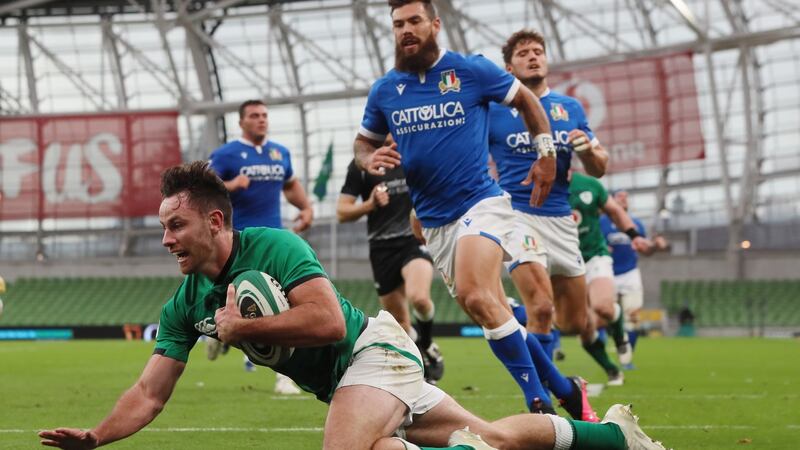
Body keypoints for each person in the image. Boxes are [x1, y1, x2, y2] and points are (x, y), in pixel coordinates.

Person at [38, 161, 667, 450]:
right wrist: (96, 437)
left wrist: (243, 326)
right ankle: (613, 436)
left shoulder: (276, 245)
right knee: (493, 437)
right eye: (162, 229)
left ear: (215, 220)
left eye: (176, 226)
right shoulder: (185, 303)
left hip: (375, 353)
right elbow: (149, 394)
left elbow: (331, 320)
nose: (167, 239)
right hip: (359, 378)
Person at [353, 0, 603, 419]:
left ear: (434, 24)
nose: (406, 30)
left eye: (415, 21)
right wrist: (368, 159)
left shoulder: (470, 70)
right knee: (489, 309)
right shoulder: (385, 91)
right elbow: (363, 142)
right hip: (435, 221)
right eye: (398, 24)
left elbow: (527, 101)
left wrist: (545, 153)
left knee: (474, 292)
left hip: (483, 203)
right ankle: (566, 390)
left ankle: (537, 402)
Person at [487, 29, 613, 395]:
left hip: (560, 219)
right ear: (510, 66)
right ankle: (541, 395)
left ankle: (508, 311)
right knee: (542, 307)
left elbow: (600, 167)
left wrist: (588, 150)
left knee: (573, 322)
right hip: (516, 214)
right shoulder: (495, 112)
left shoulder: (570, 108)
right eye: (524, 53)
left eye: (538, 51)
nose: (533, 56)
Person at [208, 98, 313, 393]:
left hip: (274, 240)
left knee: (285, 303)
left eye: (264, 115)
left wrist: (306, 208)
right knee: (236, 302)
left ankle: (286, 376)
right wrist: (230, 185)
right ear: (241, 122)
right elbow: (203, 188)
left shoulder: (280, 153)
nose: (261, 120)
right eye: (254, 115)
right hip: (237, 241)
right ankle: (217, 334)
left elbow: (290, 184)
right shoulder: (227, 155)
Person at [337, 135, 444, 384]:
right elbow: (342, 212)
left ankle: (427, 345)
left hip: (413, 242)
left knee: (420, 298)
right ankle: (419, 373)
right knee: (401, 326)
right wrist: (370, 204)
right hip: (381, 249)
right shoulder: (362, 165)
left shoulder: (417, 157)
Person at [569, 172, 651, 385]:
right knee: (583, 329)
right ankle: (611, 369)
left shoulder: (588, 185)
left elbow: (614, 210)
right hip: (565, 262)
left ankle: (621, 336)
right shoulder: (539, 185)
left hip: (596, 257)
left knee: (604, 307)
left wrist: (636, 237)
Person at [600, 189, 669, 366]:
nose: (624, 199)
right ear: (611, 200)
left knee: (634, 317)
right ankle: (610, 349)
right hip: (606, 273)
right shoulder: (601, 222)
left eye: (626, 197)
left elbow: (645, 250)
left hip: (630, 273)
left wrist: (656, 246)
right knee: (604, 315)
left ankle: (627, 359)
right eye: (619, 196)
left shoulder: (636, 224)